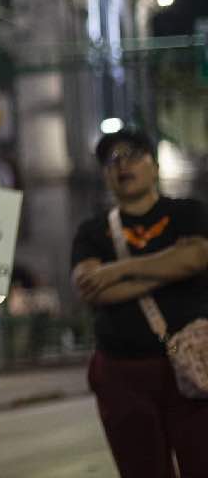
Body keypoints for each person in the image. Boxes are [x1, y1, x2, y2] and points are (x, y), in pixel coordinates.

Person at [70, 127, 208, 478]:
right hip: (122, 374)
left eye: (133, 155)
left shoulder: (187, 212)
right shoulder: (91, 231)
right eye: (112, 160)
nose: (122, 165)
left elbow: (196, 258)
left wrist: (120, 270)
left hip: (195, 367)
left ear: (155, 166)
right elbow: (91, 288)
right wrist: (170, 266)